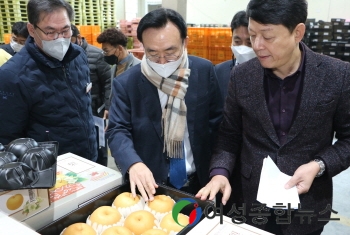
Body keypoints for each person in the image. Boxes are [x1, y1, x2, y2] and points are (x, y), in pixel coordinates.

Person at [197, 0, 350, 235]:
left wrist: (318, 166)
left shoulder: (336, 76)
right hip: (248, 202)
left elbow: (348, 140)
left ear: (298, 32)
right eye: (252, 35)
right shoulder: (242, 76)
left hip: (306, 206)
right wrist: (219, 173)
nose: (257, 46)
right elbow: (228, 137)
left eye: (268, 37)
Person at [107, 8, 223, 201]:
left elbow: (218, 124)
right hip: (151, 186)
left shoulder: (203, 71)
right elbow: (117, 130)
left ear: (184, 42)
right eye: (152, 53)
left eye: (170, 52)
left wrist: (219, 169)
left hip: (201, 183)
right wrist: (133, 163)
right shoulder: (127, 83)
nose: (162, 62)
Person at [0, 0, 97, 161]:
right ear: (31, 29)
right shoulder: (12, 75)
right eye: (50, 32)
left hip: (87, 160)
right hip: (49, 170)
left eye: (66, 30)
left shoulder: (78, 56)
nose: (59, 38)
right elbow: (8, 138)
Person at [71, 24, 111, 166]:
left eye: (70, 40)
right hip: (75, 110)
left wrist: (107, 105)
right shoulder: (61, 57)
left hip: (96, 109)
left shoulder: (96, 55)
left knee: (99, 144)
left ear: (78, 38)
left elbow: (108, 81)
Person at [96, 27, 141, 111]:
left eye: (106, 51)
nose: (105, 55)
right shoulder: (114, 67)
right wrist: (108, 109)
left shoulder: (138, 67)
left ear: (119, 49)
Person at [215, 10, 255, 101]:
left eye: (249, 43)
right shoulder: (219, 72)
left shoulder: (268, 72)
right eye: (237, 42)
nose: (242, 48)